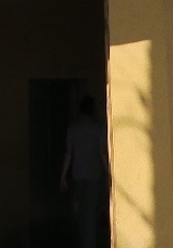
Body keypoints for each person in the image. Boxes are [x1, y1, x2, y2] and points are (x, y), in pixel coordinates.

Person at [60, 95, 108, 248]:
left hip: (78, 175)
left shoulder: (73, 128)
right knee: (91, 214)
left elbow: (69, 153)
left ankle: (84, 243)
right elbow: (102, 153)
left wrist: (62, 177)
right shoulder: (98, 128)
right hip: (94, 175)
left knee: (81, 213)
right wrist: (110, 173)